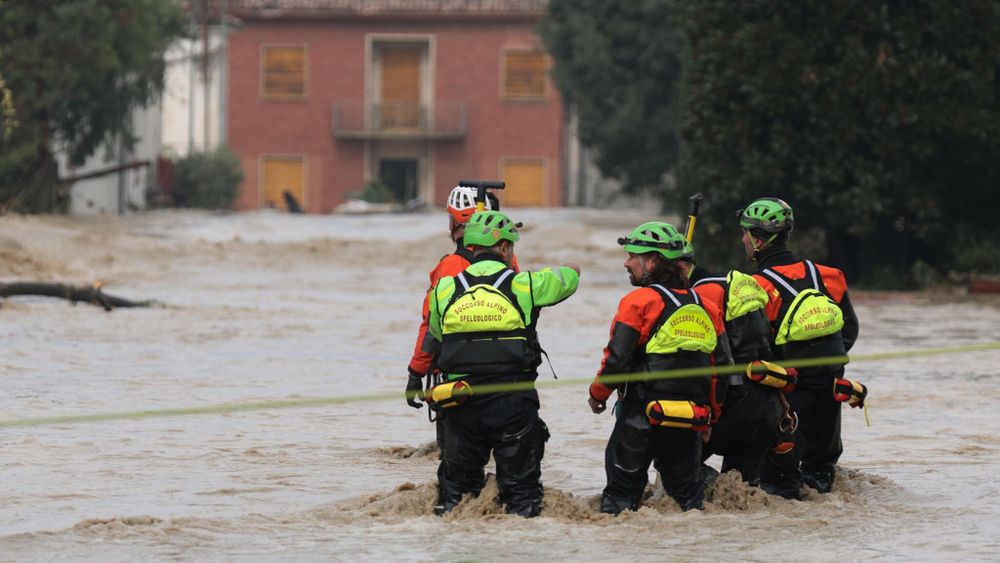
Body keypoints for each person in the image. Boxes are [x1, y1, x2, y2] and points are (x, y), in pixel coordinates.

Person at [420, 210, 580, 517]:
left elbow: (436, 336)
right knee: (522, 495)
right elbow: (569, 278)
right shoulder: (527, 285)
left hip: (458, 400)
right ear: (505, 249)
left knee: (456, 496)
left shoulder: (444, 290)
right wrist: (572, 267)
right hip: (512, 402)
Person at [588, 222, 732, 514]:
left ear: (652, 261)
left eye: (633, 256)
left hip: (640, 419)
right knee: (688, 503)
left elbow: (617, 360)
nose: (627, 263)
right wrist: (711, 417)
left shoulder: (637, 302)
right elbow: (722, 368)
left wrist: (597, 394)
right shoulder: (707, 306)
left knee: (620, 503)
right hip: (690, 419)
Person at [737, 197, 860, 497]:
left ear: (756, 239)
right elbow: (849, 330)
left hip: (788, 399)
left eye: (744, 234)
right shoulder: (830, 276)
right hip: (831, 392)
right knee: (821, 480)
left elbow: (752, 350)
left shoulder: (756, 287)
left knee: (779, 489)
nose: (742, 240)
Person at [678, 241, 798, 486]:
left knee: (675, 466)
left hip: (731, 407)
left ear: (679, 268)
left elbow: (707, 363)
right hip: (767, 410)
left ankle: (710, 491)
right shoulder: (741, 284)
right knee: (740, 487)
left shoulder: (698, 297)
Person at [405, 186, 518, 411]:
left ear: (455, 222)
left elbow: (431, 327)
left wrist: (416, 372)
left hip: (457, 379)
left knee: (456, 444)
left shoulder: (449, 266)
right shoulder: (510, 265)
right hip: (507, 375)